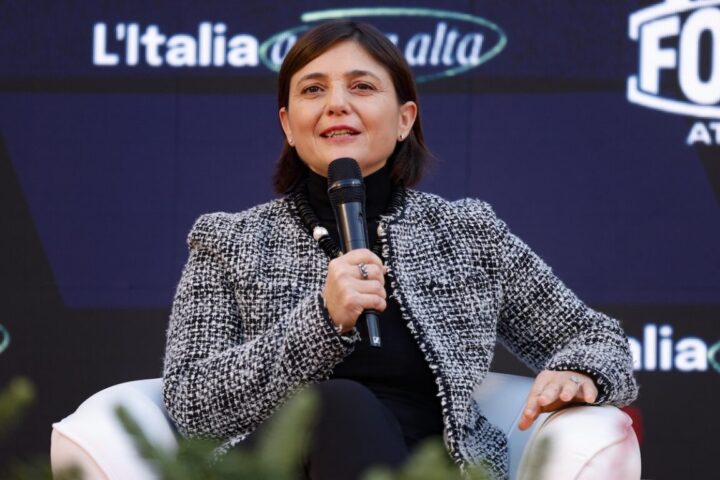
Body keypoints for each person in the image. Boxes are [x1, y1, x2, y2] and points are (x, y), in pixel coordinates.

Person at [162, 20, 638, 479]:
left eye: (362, 87)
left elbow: (597, 337)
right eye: (313, 89)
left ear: (404, 119)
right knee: (338, 404)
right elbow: (190, 402)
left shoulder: (467, 234)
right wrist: (321, 322)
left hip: (428, 471)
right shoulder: (230, 241)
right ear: (288, 125)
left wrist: (581, 372)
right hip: (274, 468)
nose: (337, 104)